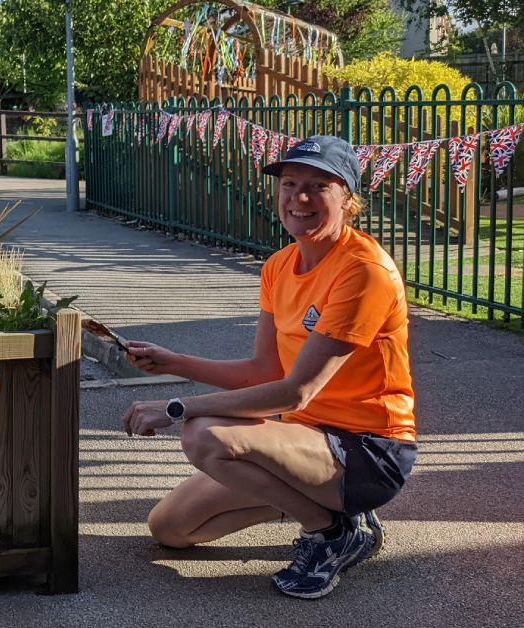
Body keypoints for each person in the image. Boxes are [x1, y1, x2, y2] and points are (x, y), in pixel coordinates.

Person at [121, 135, 418, 599]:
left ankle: (329, 532)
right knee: (171, 529)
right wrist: (172, 362)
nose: (299, 198)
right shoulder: (279, 266)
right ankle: (330, 513)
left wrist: (178, 408)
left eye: (318, 186)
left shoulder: (364, 271)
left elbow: (294, 392)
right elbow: (265, 371)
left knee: (205, 435)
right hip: (303, 444)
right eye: (290, 183)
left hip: (366, 452)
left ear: (348, 199)